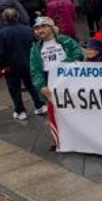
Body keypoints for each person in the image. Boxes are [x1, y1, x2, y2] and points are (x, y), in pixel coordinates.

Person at [30, 16, 84, 149]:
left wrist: (62, 68)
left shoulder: (66, 41)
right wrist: (41, 85)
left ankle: (81, 139)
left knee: (74, 111)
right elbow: (35, 69)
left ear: (51, 27)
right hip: (49, 82)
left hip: (68, 81)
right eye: (37, 28)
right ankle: (59, 141)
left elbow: (78, 55)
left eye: (43, 27)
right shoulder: (35, 48)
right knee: (54, 113)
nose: (40, 30)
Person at [0, 9, 48, 119]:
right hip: (29, 62)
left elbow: (0, 53)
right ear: (18, 16)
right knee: (32, 85)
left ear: (4, 18)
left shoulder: (1, 34)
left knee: (14, 89)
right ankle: (40, 105)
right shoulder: (28, 30)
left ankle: (20, 111)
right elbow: (36, 46)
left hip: (11, 66)